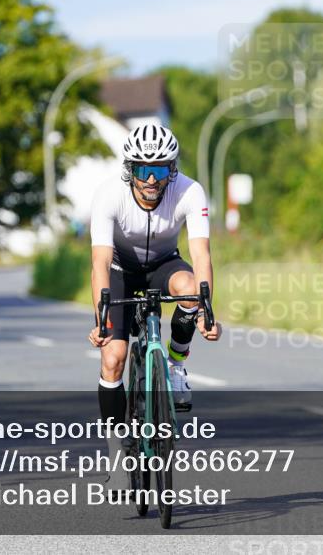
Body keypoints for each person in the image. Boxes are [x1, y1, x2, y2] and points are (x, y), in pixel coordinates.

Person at [87, 124, 222, 492]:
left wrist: (206, 311)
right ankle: (116, 454)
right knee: (113, 357)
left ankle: (175, 364)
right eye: (143, 169)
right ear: (129, 168)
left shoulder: (189, 191)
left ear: (172, 169)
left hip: (165, 264)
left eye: (159, 169)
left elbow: (201, 254)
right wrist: (102, 319)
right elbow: (100, 262)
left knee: (190, 291)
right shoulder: (108, 195)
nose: (151, 179)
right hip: (120, 270)